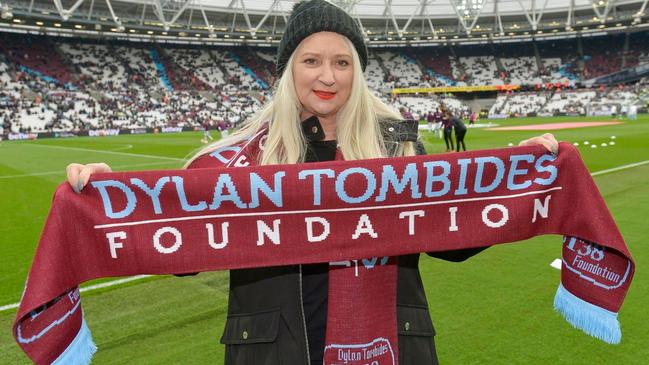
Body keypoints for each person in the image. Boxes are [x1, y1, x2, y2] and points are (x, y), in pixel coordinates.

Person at [65, 1, 559, 364]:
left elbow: (449, 236)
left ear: (358, 72)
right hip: (274, 352)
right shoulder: (240, 156)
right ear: (287, 71)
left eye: (342, 62)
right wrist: (115, 201)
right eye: (312, 60)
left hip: (393, 344)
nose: (328, 76)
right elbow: (184, 251)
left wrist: (525, 174)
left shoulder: (396, 139)